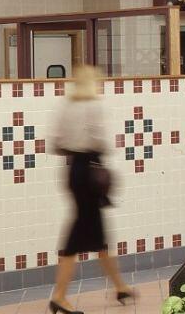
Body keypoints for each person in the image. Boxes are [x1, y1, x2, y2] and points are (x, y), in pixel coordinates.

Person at [49, 66, 134, 314]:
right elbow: (102, 141)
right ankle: (59, 297)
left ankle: (121, 287)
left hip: (73, 170)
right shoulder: (94, 106)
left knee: (97, 232)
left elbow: (55, 143)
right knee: (82, 232)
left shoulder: (66, 105)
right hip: (91, 171)